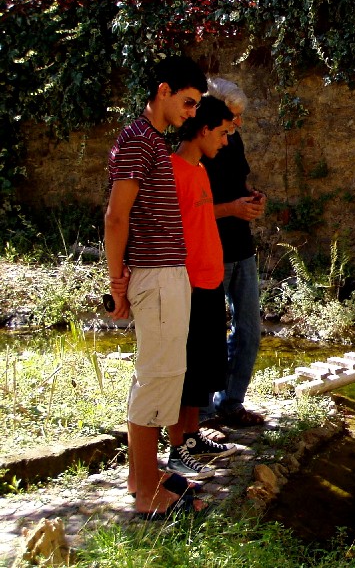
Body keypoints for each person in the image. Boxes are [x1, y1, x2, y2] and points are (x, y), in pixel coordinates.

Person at [104, 55, 208, 519]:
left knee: (157, 375)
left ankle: (139, 476)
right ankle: (146, 491)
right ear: (163, 90)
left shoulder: (148, 141)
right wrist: (116, 281)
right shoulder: (138, 141)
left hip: (166, 274)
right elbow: (115, 216)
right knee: (158, 378)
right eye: (188, 102)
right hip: (157, 277)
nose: (192, 113)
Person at [166, 96, 239, 479]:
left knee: (203, 369)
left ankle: (192, 438)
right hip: (187, 286)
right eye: (223, 133)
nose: (225, 142)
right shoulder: (172, 170)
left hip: (209, 283)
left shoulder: (199, 170)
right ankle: (176, 451)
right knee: (184, 372)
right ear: (205, 129)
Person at [200, 78, 266, 427]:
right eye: (233, 117)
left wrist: (253, 198)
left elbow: (239, 182)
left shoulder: (233, 140)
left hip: (241, 246)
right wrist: (232, 209)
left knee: (250, 331)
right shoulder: (194, 148)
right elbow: (192, 208)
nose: (237, 125)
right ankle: (202, 413)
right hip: (212, 249)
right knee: (209, 334)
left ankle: (231, 404)